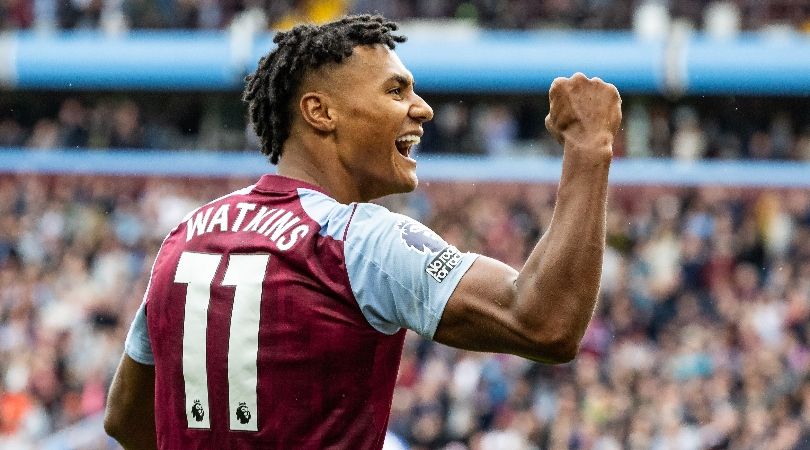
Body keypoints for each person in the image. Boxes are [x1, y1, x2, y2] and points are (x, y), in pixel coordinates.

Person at [103, 14, 621, 450]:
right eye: (396, 91)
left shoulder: (185, 236)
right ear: (319, 111)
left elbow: (126, 420)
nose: (423, 108)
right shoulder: (357, 240)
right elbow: (544, 324)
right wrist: (588, 148)